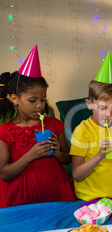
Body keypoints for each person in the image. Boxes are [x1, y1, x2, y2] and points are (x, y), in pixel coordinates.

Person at [0, 45, 75, 208]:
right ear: (15, 98)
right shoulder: (4, 131)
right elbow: (4, 174)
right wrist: (30, 154)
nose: (39, 106)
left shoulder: (55, 125)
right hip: (21, 201)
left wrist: (58, 153)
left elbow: (68, 159)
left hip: (57, 195)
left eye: (43, 99)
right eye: (32, 101)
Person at [70, 52, 112, 201]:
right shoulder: (82, 131)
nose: (108, 114)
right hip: (89, 199)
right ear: (89, 104)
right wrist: (100, 155)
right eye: (102, 107)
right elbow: (76, 174)